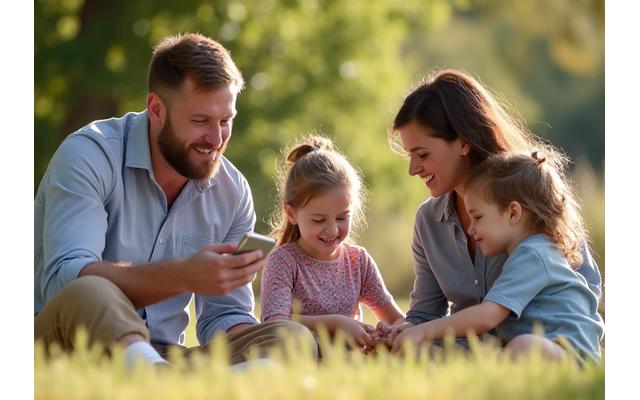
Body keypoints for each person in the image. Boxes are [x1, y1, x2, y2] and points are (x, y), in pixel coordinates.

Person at [34, 32, 316, 367]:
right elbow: (62, 285)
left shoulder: (232, 191)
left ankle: (162, 381)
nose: (215, 139)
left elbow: (225, 315)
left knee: (291, 338)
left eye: (226, 121)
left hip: (167, 357)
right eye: (200, 121)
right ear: (156, 108)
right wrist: (183, 276)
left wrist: (243, 338)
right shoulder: (89, 155)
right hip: (66, 347)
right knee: (88, 288)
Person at [380, 69, 602, 351]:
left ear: (463, 142)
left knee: (524, 351)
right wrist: (404, 331)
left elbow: (586, 289)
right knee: (400, 354)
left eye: (422, 154)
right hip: (476, 349)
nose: (412, 169)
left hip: (541, 347)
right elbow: (426, 314)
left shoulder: (529, 201)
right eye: (409, 155)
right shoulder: (429, 221)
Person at [390, 150, 604, 362]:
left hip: (568, 353)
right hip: (535, 346)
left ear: (513, 213)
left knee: (523, 346)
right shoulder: (524, 251)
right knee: (489, 351)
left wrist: (422, 332)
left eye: (478, 217)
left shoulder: (534, 253)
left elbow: (487, 316)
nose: (471, 230)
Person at [260, 135, 405, 352]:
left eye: (342, 218)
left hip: (353, 360)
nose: (332, 230)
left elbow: (395, 319)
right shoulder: (284, 261)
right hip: (302, 358)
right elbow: (275, 325)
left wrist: (390, 334)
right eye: (319, 220)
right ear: (291, 214)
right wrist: (337, 323)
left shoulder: (358, 262)